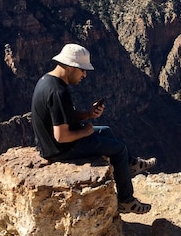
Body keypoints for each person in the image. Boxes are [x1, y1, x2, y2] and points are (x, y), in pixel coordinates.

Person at [31, 43, 156, 214]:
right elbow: (61, 136)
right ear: (69, 67)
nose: (84, 74)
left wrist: (88, 114)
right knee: (119, 149)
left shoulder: (47, 80)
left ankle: (130, 165)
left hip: (50, 144)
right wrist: (86, 131)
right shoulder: (58, 92)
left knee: (105, 130)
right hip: (59, 149)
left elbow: (62, 116)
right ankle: (126, 201)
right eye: (82, 70)